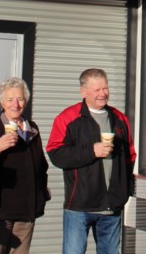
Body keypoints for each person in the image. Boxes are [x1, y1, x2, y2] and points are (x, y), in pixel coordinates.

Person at [47, 68, 136, 254]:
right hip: (80, 205)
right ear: (83, 91)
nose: (103, 94)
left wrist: (123, 192)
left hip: (112, 206)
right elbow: (56, 154)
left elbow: (130, 157)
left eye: (105, 88)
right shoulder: (68, 118)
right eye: (97, 90)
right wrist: (91, 151)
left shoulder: (120, 118)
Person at [0, 77, 50, 254]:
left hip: (26, 212)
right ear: (1, 103)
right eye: (10, 99)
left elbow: (41, 167)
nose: (15, 104)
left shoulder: (32, 130)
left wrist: (41, 197)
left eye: (20, 99)